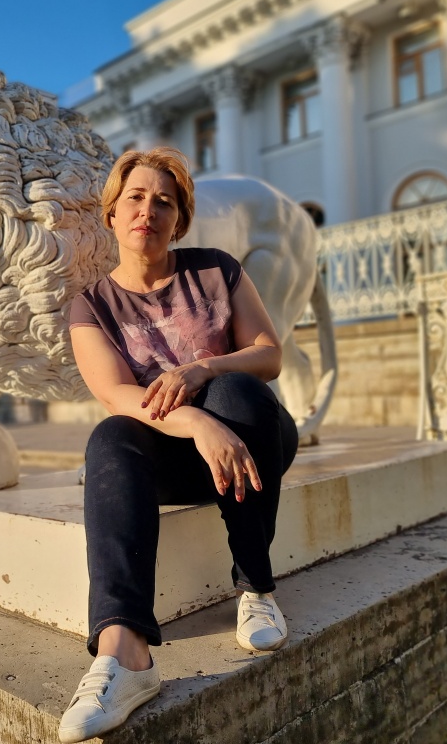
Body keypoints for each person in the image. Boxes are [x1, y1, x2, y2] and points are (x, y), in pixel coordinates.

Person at [58, 147, 299, 743]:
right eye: (136, 198)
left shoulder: (215, 270)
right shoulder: (91, 306)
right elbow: (117, 394)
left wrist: (202, 370)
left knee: (237, 390)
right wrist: (195, 423)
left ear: (180, 220)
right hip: (177, 453)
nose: (149, 210)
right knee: (111, 435)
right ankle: (125, 651)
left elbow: (269, 355)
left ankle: (257, 589)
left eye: (164, 201)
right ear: (112, 214)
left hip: (253, 437)